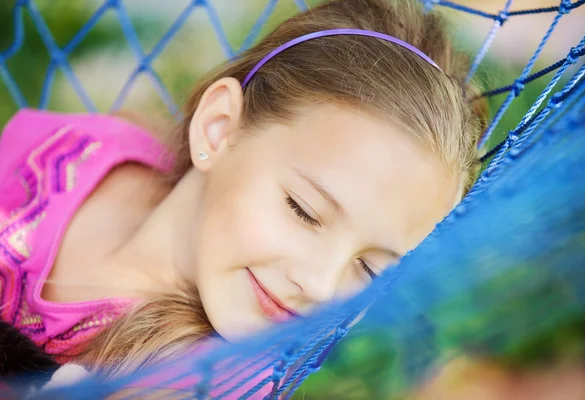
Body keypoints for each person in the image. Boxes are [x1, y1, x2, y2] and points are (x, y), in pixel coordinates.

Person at [0, 0, 484, 392]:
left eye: (373, 269)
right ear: (218, 129)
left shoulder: (208, 377)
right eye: (304, 211)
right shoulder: (75, 155)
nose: (319, 286)